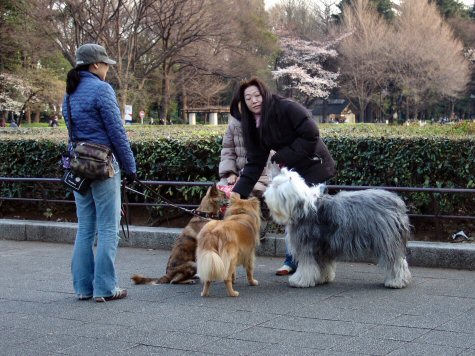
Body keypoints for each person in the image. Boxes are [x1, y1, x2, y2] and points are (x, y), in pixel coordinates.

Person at [230, 77, 336, 276]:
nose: (254, 100)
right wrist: (237, 194)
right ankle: (294, 262)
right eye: (248, 98)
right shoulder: (254, 124)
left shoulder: (286, 107)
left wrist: (283, 155)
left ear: (264, 94)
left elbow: (311, 134)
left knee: (312, 221)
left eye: (257, 95)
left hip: (315, 166)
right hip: (291, 173)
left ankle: (317, 264)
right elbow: (254, 162)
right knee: (292, 217)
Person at [63, 43, 137, 302]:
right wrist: (130, 167)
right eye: (105, 64)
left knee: (85, 228)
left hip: (79, 166)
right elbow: (117, 133)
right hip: (103, 165)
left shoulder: (69, 93)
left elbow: (73, 133)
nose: (107, 68)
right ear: (95, 65)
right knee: (108, 228)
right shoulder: (102, 89)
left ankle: (83, 288)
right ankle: (105, 288)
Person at [218, 106, 271, 199]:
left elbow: (267, 157)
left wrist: (244, 177)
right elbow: (227, 151)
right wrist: (231, 173)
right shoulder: (234, 124)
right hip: (236, 175)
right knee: (220, 192)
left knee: (245, 192)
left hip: (261, 177)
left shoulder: (267, 122)